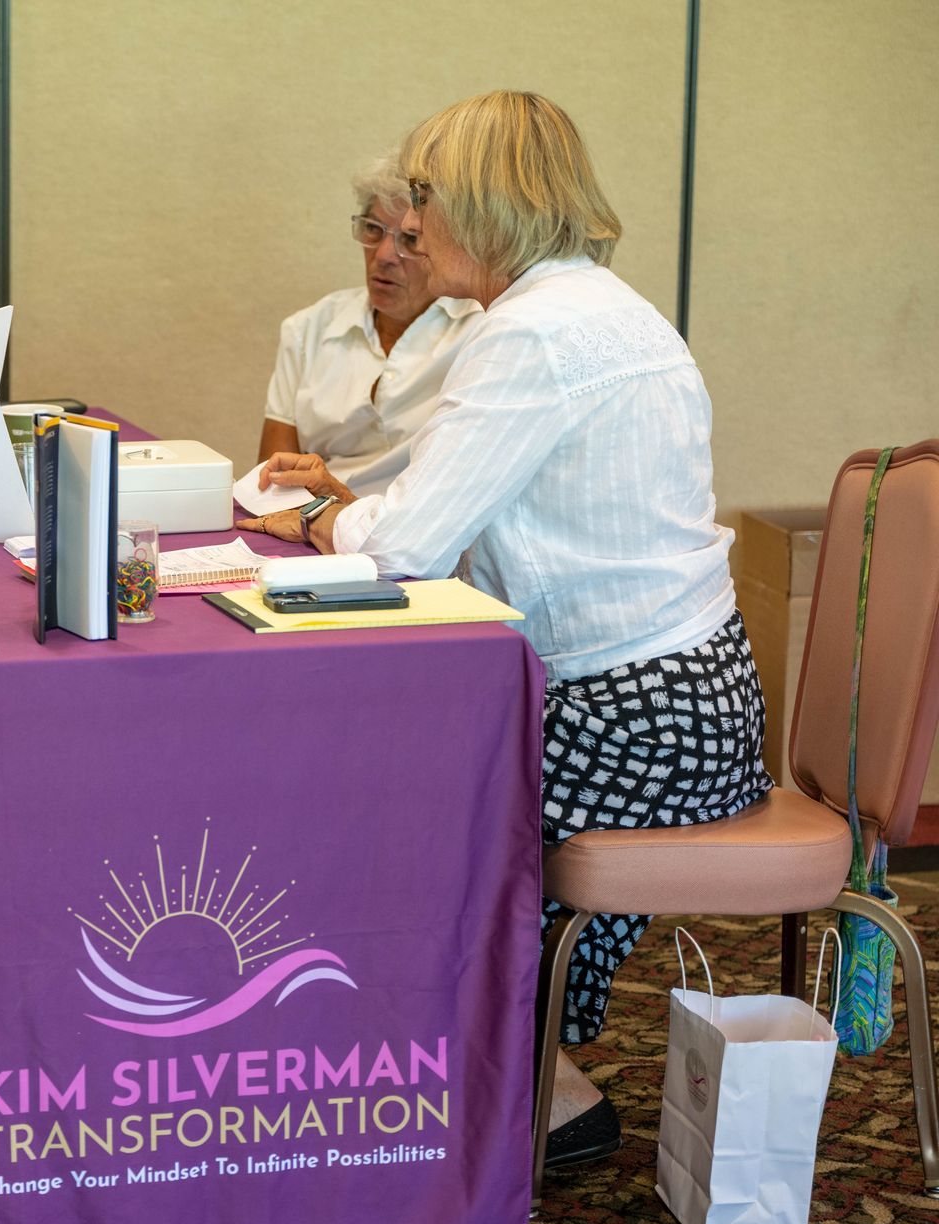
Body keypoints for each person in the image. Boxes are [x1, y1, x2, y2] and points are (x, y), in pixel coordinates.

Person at [241, 91, 771, 1169]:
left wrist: (320, 512)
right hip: (695, 697)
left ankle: (528, 1091)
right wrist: (358, 510)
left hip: (642, 715)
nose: (412, 227)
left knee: (387, 815)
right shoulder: (598, 309)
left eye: (426, 200)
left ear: (484, 202)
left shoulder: (530, 335)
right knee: (408, 784)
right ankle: (516, 1071)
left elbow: (404, 551)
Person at [256, 156, 482, 497]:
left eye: (410, 239)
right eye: (373, 230)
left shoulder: (477, 330)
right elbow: (271, 477)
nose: (384, 256)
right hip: (311, 527)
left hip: (416, 532)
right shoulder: (310, 328)